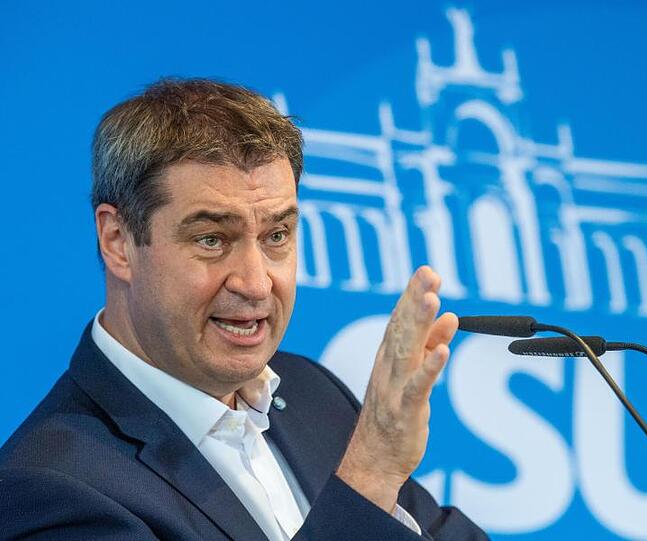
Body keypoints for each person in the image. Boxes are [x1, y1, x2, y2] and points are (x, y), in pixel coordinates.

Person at [0, 79, 489, 540]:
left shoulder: (313, 394)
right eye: (212, 239)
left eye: (277, 235)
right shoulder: (51, 489)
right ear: (118, 241)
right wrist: (370, 473)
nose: (256, 284)